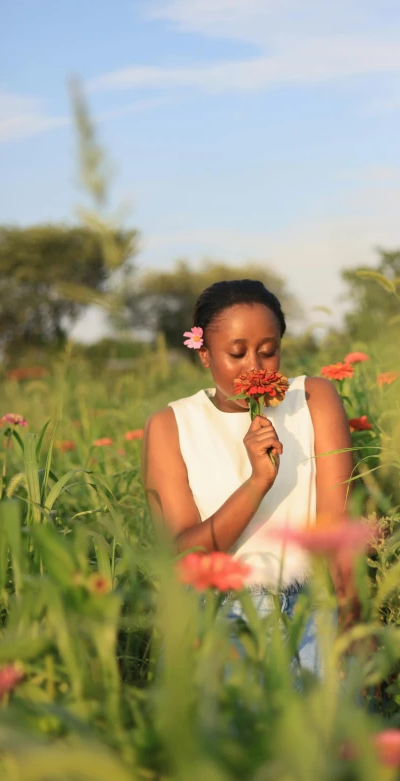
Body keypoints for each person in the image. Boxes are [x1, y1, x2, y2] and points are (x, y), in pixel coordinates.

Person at [142, 279, 354, 676]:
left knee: (331, 736)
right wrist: (257, 483)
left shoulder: (314, 398)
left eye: (268, 351)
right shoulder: (172, 425)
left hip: (314, 605)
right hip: (222, 615)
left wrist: (356, 623)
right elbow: (185, 554)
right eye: (236, 353)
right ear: (203, 354)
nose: (255, 368)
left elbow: (337, 528)